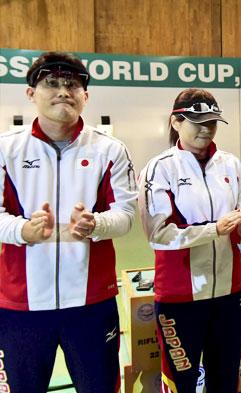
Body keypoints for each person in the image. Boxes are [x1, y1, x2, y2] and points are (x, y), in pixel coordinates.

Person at [0, 51, 138, 392]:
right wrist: (22, 230)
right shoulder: (6, 149)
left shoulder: (110, 150)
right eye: (52, 83)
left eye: (72, 84)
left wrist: (96, 225)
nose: (63, 91)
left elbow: (126, 216)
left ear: (85, 96)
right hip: (22, 306)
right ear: (31, 93)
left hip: (91, 304)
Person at [138, 88, 241, 392]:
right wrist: (214, 230)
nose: (206, 129)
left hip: (230, 293)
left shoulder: (231, 165)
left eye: (212, 122)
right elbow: (158, 234)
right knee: (181, 383)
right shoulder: (160, 168)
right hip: (180, 299)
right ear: (176, 122)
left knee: (226, 380)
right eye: (198, 122)